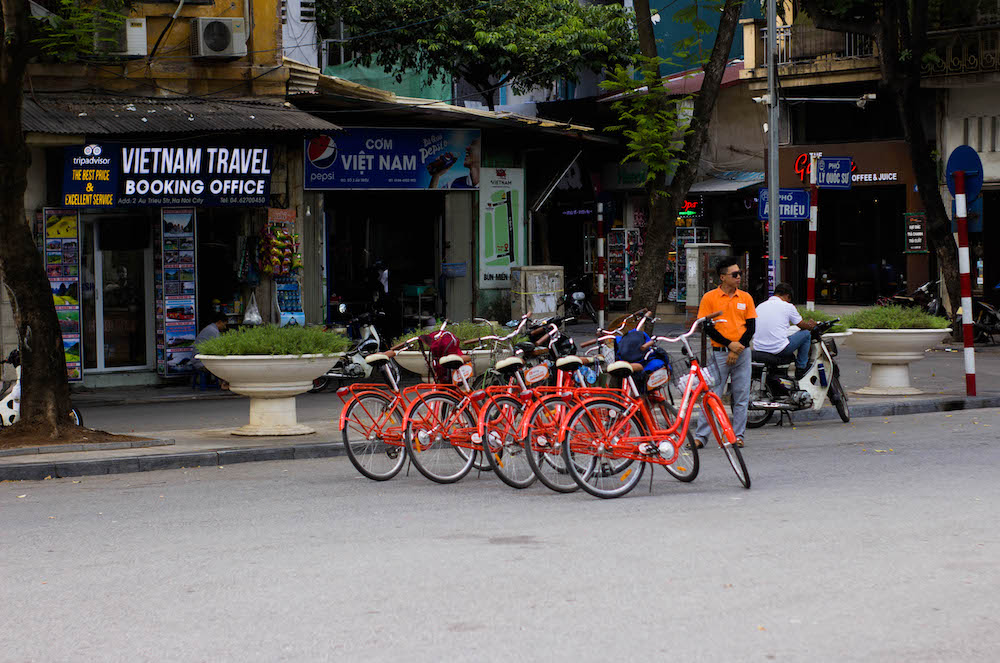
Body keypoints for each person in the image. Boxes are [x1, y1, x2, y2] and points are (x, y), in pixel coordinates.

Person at [694, 257, 756, 448]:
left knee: (741, 396)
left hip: (742, 353)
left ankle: (738, 436)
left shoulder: (745, 297)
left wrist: (737, 349)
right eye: (734, 274)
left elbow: (751, 327)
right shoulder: (709, 298)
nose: (739, 277)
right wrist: (730, 345)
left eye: (740, 274)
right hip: (720, 353)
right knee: (712, 395)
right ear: (722, 277)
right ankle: (700, 437)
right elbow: (707, 327)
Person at [753, 282, 817, 380]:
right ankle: (801, 369)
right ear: (787, 296)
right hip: (778, 350)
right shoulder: (788, 306)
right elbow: (802, 325)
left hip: (759, 348)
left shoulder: (760, 306)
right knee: (806, 334)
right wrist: (810, 325)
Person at [191, 312, 228, 382]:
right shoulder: (213, 331)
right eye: (224, 324)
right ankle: (224, 383)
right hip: (200, 362)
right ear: (219, 322)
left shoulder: (210, 329)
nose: (225, 327)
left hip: (198, 360)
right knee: (226, 366)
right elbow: (219, 348)